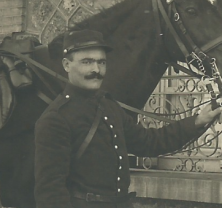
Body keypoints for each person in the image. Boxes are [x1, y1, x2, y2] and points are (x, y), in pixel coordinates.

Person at [34, 29, 222, 208]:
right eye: (87, 62)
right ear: (67, 65)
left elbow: (150, 142)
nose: (96, 69)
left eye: (101, 62)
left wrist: (199, 120)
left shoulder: (109, 107)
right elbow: (51, 194)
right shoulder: (56, 119)